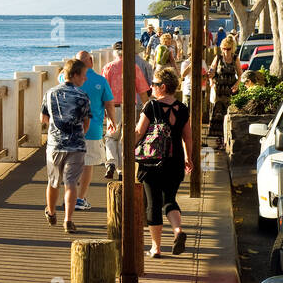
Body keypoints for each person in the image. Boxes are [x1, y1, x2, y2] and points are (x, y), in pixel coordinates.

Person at [135, 68, 194, 258]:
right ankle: (178, 231)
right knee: (169, 199)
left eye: (154, 83)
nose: (151, 86)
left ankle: (156, 248)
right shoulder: (183, 108)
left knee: (153, 203)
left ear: (162, 87)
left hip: (152, 162)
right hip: (175, 161)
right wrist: (188, 158)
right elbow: (188, 138)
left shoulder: (151, 107)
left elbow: (138, 133)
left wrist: (127, 149)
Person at [42, 58, 91, 233]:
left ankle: (51, 212)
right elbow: (86, 122)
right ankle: (68, 220)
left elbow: (44, 118)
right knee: (71, 183)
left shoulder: (50, 93)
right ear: (75, 75)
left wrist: (55, 131)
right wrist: (79, 135)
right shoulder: (83, 96)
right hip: (76, 145)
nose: (85, 79)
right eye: (83, 75)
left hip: (55, 145)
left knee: (53, 181)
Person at [73, 49, 115, 209]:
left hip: (70, 131)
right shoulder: (101, 80)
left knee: (71, 164)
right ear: (91, 60)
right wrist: (112, 121)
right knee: (87, 164)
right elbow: (109, 104)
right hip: (93, 129)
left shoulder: (67, 78)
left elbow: (60, 76)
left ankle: (70, 196)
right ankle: (80, 199)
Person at [101, 42, 147, 180]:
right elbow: (143, 90)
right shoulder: (133, 67)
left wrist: (101, 108)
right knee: (125, 138)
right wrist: (147, 107)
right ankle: (122, 171)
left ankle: (111, 163)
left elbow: (104, 91)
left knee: (110, 137)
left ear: (115, 53)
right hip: (129, 107)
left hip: (112, 107)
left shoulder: (108, 67)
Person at [209, 36, 239, 145]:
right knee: (218, 115)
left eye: (228, 49)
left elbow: (240, 75)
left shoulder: (235, 58)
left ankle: (227, 139)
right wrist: (211, 79)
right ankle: (219, 140)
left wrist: (236, 84)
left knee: (229, 115)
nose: (226, 51)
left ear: (232, 48)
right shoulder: (218, 58)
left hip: (230, 91)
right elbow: (211, 71)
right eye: (224, 48)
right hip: (219, 90)